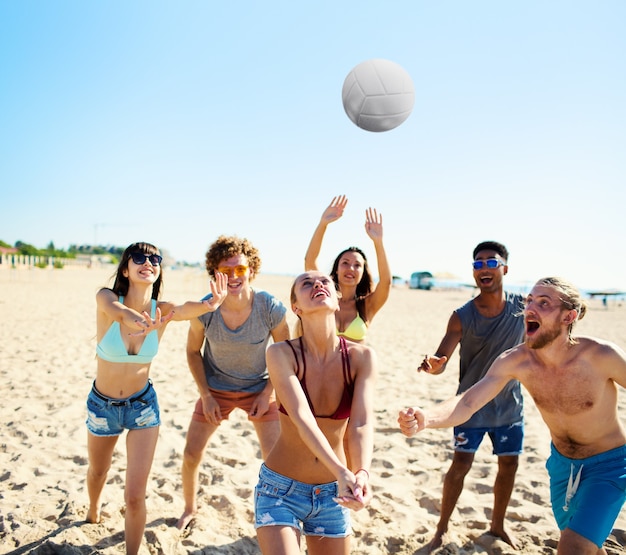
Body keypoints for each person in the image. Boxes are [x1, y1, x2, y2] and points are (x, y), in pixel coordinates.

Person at [399, 277, 626, 555]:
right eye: (530, 300)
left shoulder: (600, 355)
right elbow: (469, 401)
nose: (530, 308)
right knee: (586, 544)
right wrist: (427, 418)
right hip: (561, 467)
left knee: (574, 546)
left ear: (569, 316)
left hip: (609, 465)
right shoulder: (516, 360)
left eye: (544, 303)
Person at [87, 242, 227, 555]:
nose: (147, 262)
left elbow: (190, 307)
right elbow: (119, 313)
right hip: (102, 405)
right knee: (98, 471)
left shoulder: (161, 311)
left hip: (142, 407)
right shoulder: (106, 297)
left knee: (135, 496)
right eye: (138, 257)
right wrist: (135, 320)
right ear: (126, 269)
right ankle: (92, 509)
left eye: (154, 258)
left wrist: (210, 303)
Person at [255, 270, 377, 555]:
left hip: (334, 494)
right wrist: (342, 471)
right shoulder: (280, 354)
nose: (318, 285)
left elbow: (360, 423)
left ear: (337, 299)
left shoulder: (362, 358)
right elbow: (301, 417)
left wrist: (362, 474)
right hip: (280, 491)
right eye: (306, 284)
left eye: (324, 282)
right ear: (296, 307)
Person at [417, 241, 525, 550]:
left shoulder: (524, 308)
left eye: (491, 262)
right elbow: (441, 360)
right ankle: (441, 529)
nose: (484, 269)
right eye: (477, 264)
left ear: (505, 267)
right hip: (469, 407)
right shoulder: (462, 315)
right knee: (460, 465)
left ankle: (498, 525)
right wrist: (434, 365)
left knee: (509, 466)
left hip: (509, 408)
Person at [177, 235, 290, 530]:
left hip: (259, 389)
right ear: (215, 273)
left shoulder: (269, 307)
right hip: (215, 389)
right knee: (191, 454)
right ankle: (189, 508)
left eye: (240, 269)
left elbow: (287, 353)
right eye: (226, 271)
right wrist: (206, 395)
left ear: (251, 270)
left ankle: (278, 514)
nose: (234, 276)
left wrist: (268, 392)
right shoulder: (205, 309)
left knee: (275, 460)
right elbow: (192, 351)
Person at [304, 195, 391, 343]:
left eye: (357, 265)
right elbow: (310, 260)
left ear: (363, 273)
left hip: (355, 366)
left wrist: (378, 242)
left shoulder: (367, 306)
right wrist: (323, 224)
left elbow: (386, 282)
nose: (351, 268)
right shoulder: (324, 297)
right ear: (336, 268)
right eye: (345, 262)